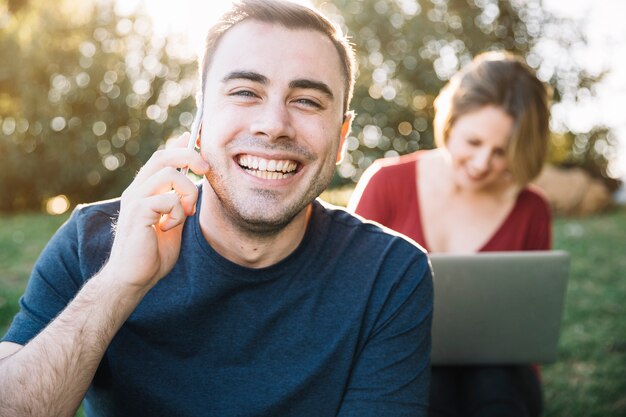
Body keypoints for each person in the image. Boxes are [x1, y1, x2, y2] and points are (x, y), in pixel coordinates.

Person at [0, 1, 433, 416]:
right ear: (200, 122)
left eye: (307, 100)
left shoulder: (390, 275)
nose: (273, 125)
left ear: (341, 138)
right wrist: (117, 285)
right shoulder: (90, 242)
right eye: (245, 92)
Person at [349, 51, 551, 417]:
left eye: (501, 152)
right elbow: (345, 299)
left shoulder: (531, 208)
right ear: (451, 122)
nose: (481, 164)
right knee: (428, 384)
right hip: (399, 361)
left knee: (494, 383)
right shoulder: (386, 183)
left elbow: (527, 331)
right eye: (473, 143)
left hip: (501, 378)